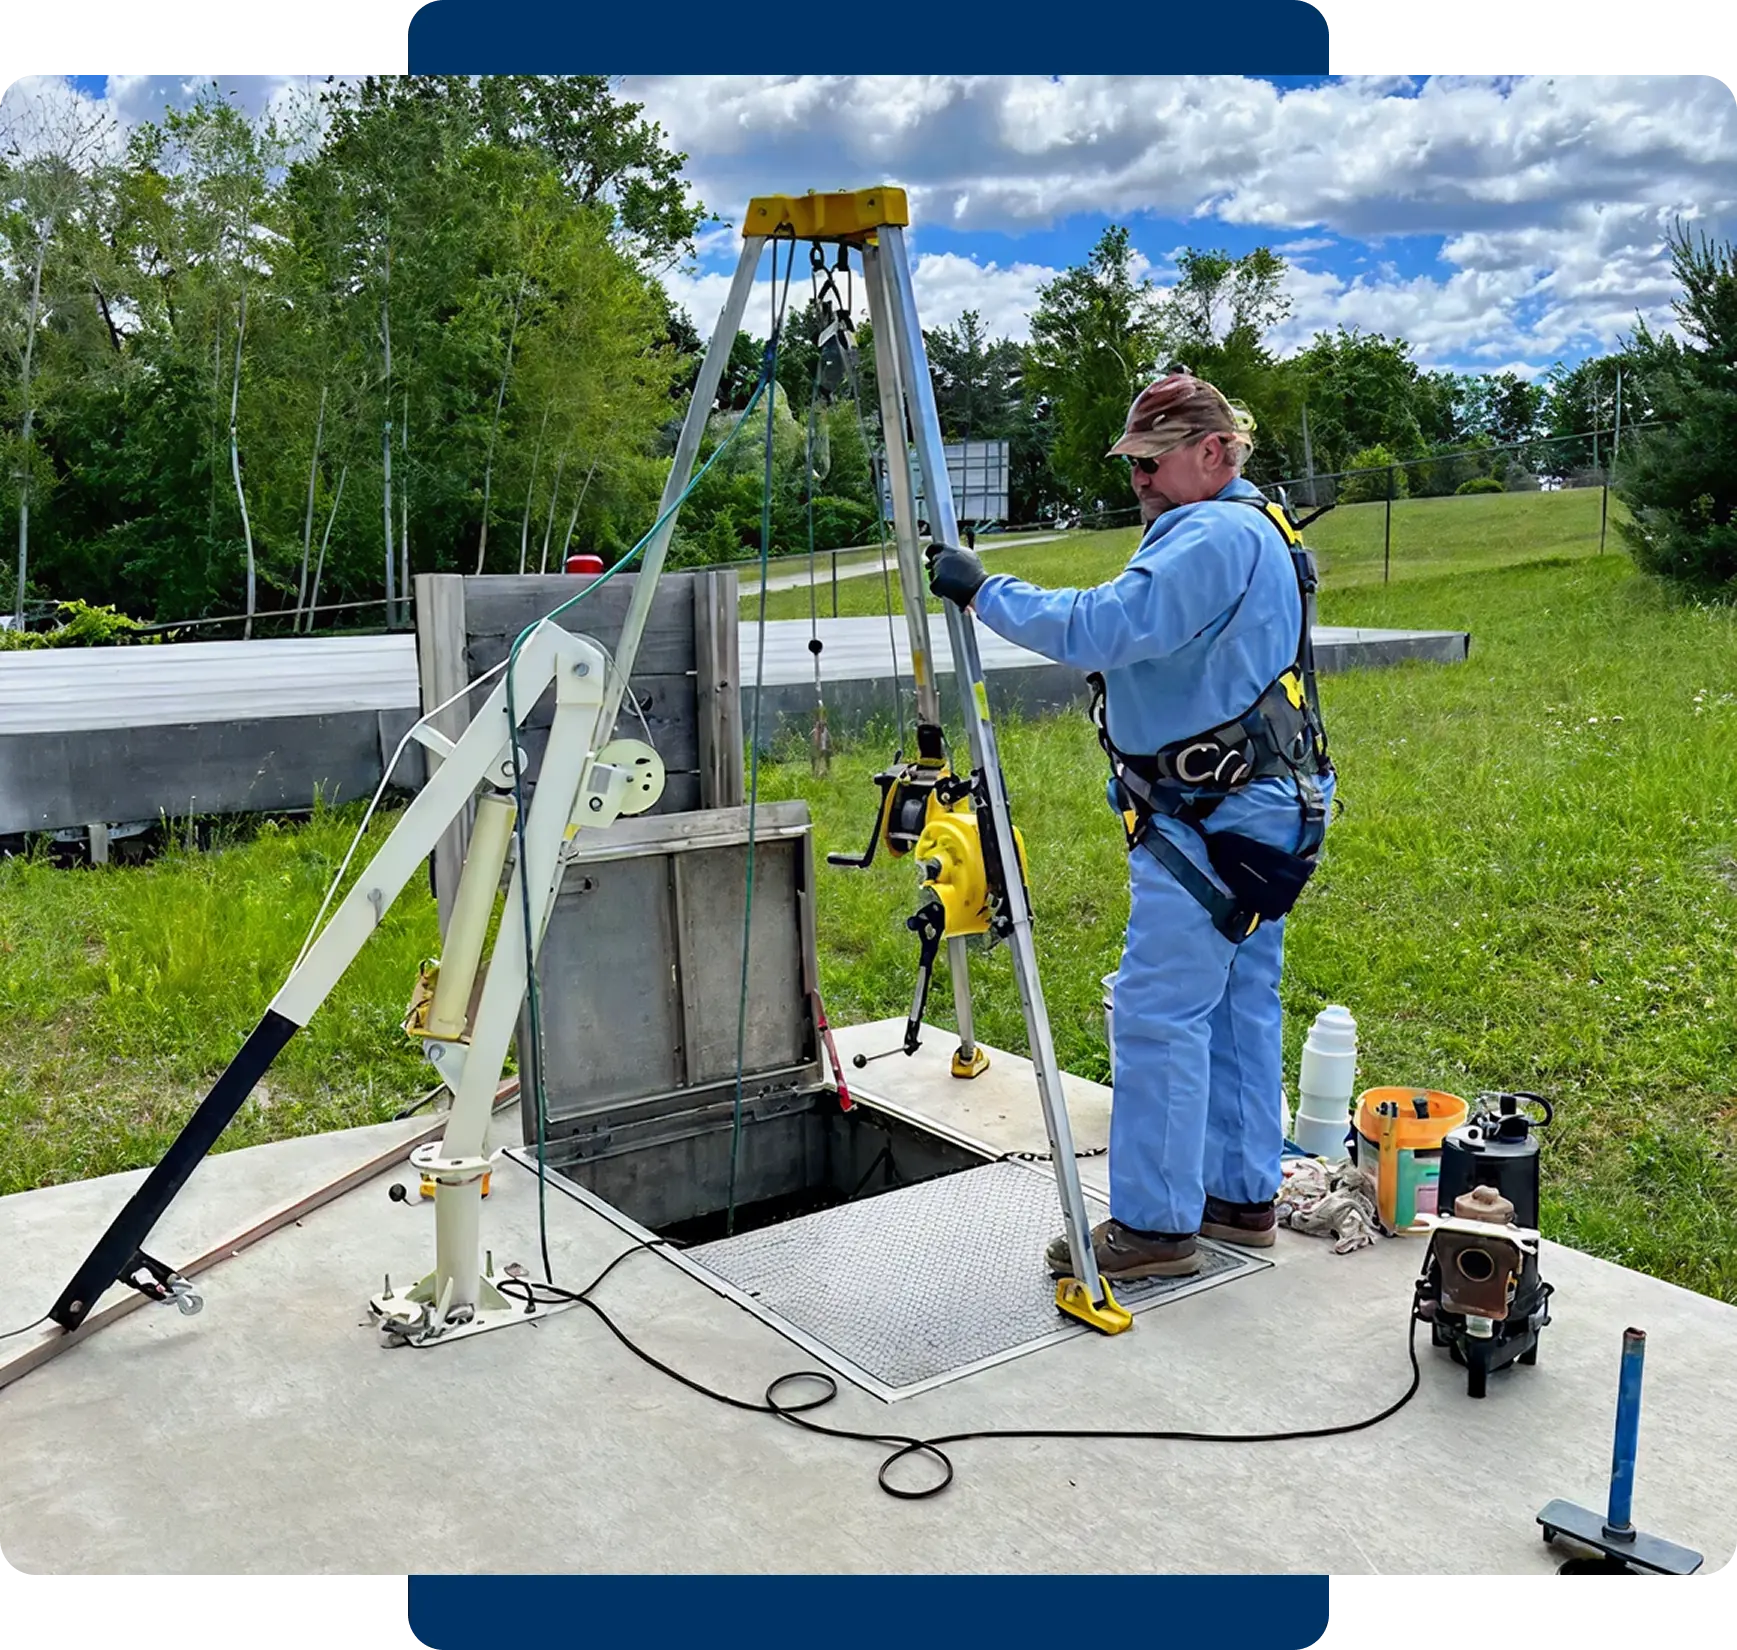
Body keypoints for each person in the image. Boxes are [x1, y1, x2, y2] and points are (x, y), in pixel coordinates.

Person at [924, 374, 1335, 1282]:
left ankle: (1153, 1228)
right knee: (1235, 1002)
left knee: (1158, 1012)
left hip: (1211, 815)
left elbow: (1106, 626)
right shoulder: (1259, 528)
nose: (1140, 478)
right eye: (1134, 462)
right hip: (1262, 807)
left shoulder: (1214, 532)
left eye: (1154, 461)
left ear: (1215, 453)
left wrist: (983, 592)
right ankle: (1239, 1196)